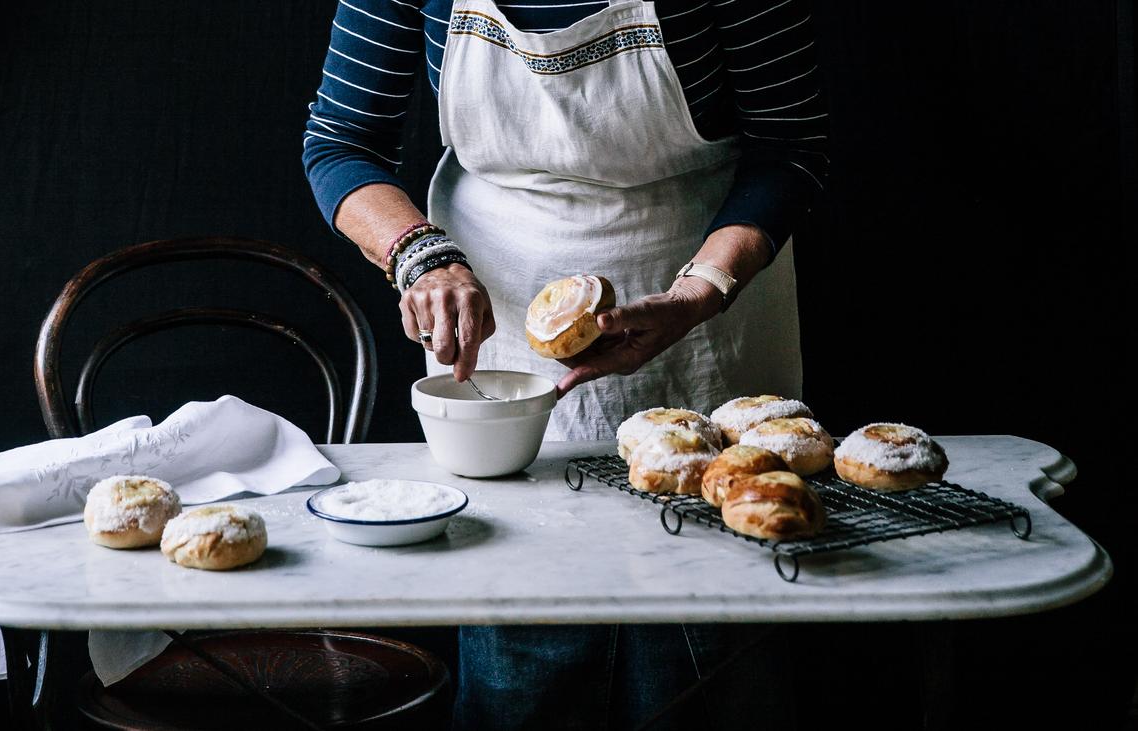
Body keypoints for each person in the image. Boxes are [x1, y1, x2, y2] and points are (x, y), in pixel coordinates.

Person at [304, 0, 828, 727]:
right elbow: (339, 139)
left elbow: (792, 143)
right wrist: (419, 255)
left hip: (705, 316)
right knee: (525, 659)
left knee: (708, 663)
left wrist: (699, 291)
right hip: (504, 336)